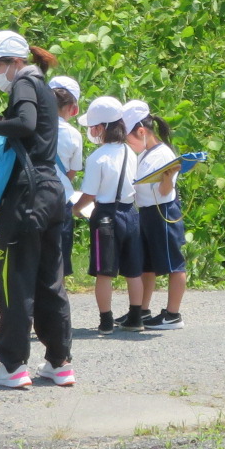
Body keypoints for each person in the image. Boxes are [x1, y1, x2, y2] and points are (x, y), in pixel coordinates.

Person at [0, 31, 74, 388]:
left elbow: (25, 125)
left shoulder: (24, 84)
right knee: (49, 281)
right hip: (52, 191)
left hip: (27, 195)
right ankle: (59, 363)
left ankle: (12, 366)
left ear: (15, 62)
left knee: (15, 282)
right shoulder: (42, 86)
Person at [75, 96, 141, 334]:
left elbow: (89, 194)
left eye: (93, 127)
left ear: (102, 127)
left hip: (105, 216)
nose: (91, 131)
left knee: (104, 273)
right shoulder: (130, 151)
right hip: (130, 213)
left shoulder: (98, 157)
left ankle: (105, 321)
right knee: (133, 271)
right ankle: (136, 317)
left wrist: (72, 209)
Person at [128, 104, 188, 330]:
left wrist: (168, 177)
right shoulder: (145, 153)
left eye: (128, 138)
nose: (128, 144)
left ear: (142, 132)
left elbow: (164, 191)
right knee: (147, 265)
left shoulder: (164, 154)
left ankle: (173, 314)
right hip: (146, 211)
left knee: (174, 264)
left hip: (163, 212)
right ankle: (143, 310)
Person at [48, 75, 86, 289]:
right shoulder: (73, 134)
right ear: (73, 108)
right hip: (60, 200)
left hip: (31, 199)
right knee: (58, 259)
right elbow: (72, 172)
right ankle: (57, 309)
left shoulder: (30, 126)